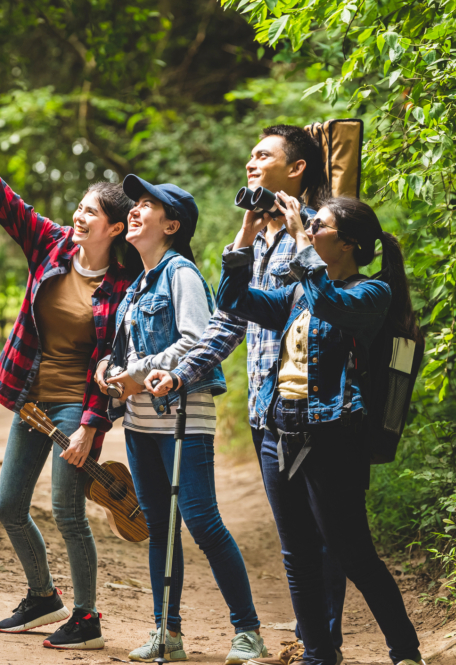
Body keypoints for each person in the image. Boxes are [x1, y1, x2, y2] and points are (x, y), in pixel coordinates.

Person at [0, 108, 139, 650]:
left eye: (92, 212)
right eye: (80, 208)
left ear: (115, 227)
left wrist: (92, 427)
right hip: (32, 399)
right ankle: (44, 597)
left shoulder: (122, 287)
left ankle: (86, 618)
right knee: (9, 507)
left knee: (68, 511)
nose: (80, 216)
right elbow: (5, 203)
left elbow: (110, 362)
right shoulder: (51, 244)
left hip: (76, 407)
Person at [144, 126, 348, 665]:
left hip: (315, 409)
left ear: (297, 167)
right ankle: (314, 645)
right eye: (251, 154)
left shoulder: (322, 229)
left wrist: (301, 231)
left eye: (263, 155)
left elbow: (332, 300)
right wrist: (182, 374)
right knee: (294, 541)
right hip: (265, 410)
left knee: (328, 535)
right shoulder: (256, 239)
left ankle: (324, 645)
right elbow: (228, 323)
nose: (251, 162)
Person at [215, 193, 424, 665]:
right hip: (278, 433)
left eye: (319, 225)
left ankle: (405, 650)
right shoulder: (296, 293)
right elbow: (233, 299)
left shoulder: (370, 294)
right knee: (298, 556)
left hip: (332, 436)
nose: (308, 230)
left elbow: (330, 305)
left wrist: (297, 242)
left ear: (349, 243)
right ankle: (318, 654)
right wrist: (245, 238)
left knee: (351, 552)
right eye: (308, 225)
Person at [94, 176, 268, 664]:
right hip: (141, 424)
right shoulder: (137, 285)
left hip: (183, 419)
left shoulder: (181, 273)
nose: (135, 210)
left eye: (147, 205)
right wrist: (111, 370)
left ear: (171, 224)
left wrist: (137, 372)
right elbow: (124, 349)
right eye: (136, 203)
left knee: (202, 520)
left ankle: (248, 632)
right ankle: (166, 632)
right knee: (159, 527)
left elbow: (196, 338)